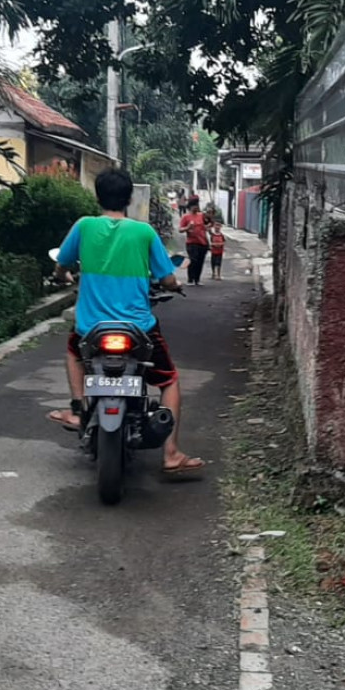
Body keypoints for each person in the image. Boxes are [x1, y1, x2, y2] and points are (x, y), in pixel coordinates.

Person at [47, 169, 205, 478]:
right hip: (138, 328)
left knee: (72, 353)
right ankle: (171, 453)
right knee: (168, 380)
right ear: (130, 198)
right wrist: (173, 285)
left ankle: (79, 409)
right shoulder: (144, 233)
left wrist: (62, 276)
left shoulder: (84, 226)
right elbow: (167, 277)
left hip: (90, 328)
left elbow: (61, 265)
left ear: (98, 196)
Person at [179, 196, 210, 286]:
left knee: (200, 261)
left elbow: (209, 223)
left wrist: (207, 227)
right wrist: (188, 227)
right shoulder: (186, 217)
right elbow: (180, 230)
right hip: (192, 243)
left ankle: (197, 279)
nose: (196, 207)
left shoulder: (202, 215)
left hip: (202, 242)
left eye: (197, 205)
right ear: (190, 207)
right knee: (193, 260)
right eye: (194, 206)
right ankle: (190, 279)